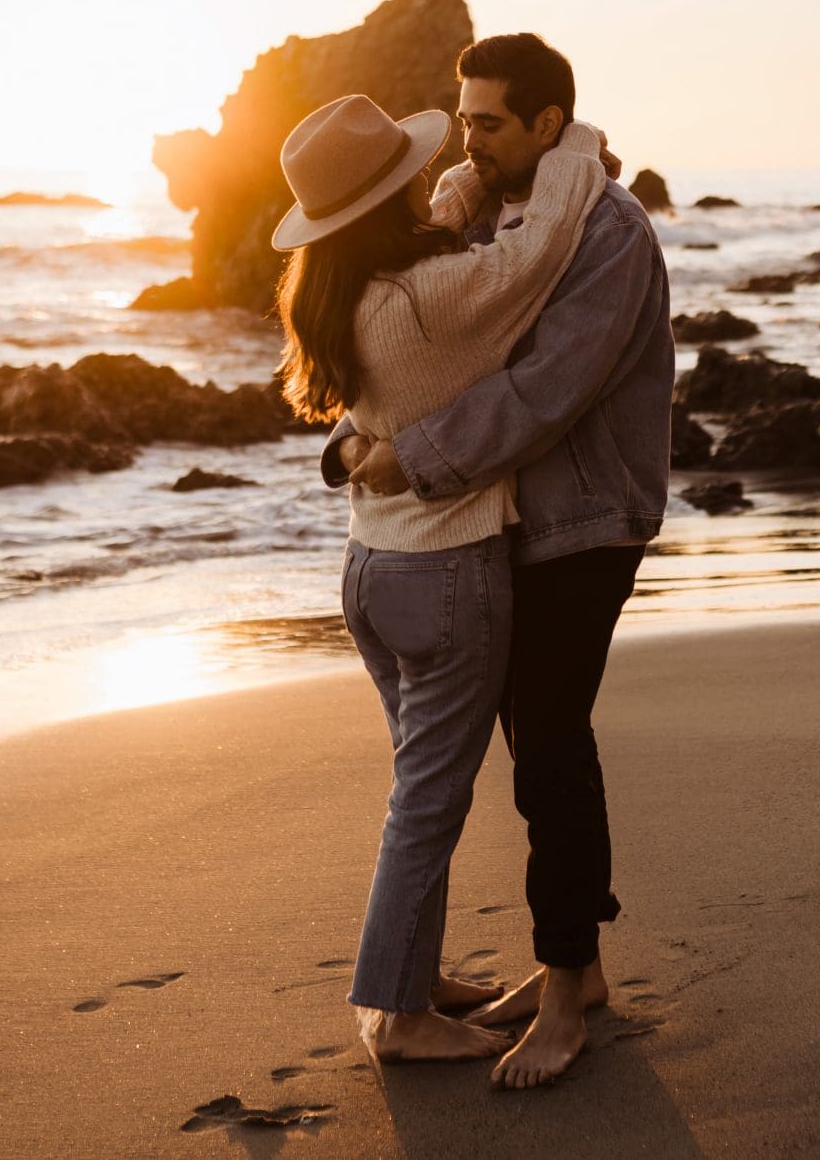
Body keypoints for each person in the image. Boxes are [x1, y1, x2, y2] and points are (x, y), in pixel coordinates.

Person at [324, 33, 675, 1090]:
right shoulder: (508, 209)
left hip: (586, 521)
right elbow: (419, 335)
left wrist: (406, 460)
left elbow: (544, 390)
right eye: (462, 117)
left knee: (551, 748)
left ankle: (566, 991)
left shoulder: (606, 233)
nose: (467, 142)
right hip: (512, 520)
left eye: (486, 123)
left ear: (547, 127)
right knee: (536, 743)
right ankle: (580, 963)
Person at [272, 89, 610, 1064]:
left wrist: (457, 187)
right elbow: (539, 246)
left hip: (370, 572)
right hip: (447, 575)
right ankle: (395, 1013)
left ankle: (411, 981)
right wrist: (572, 142)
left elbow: (444, 224)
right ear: (392, 199)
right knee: (427, 802)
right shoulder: (438, 295)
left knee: (416, 789)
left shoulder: (342, 293)